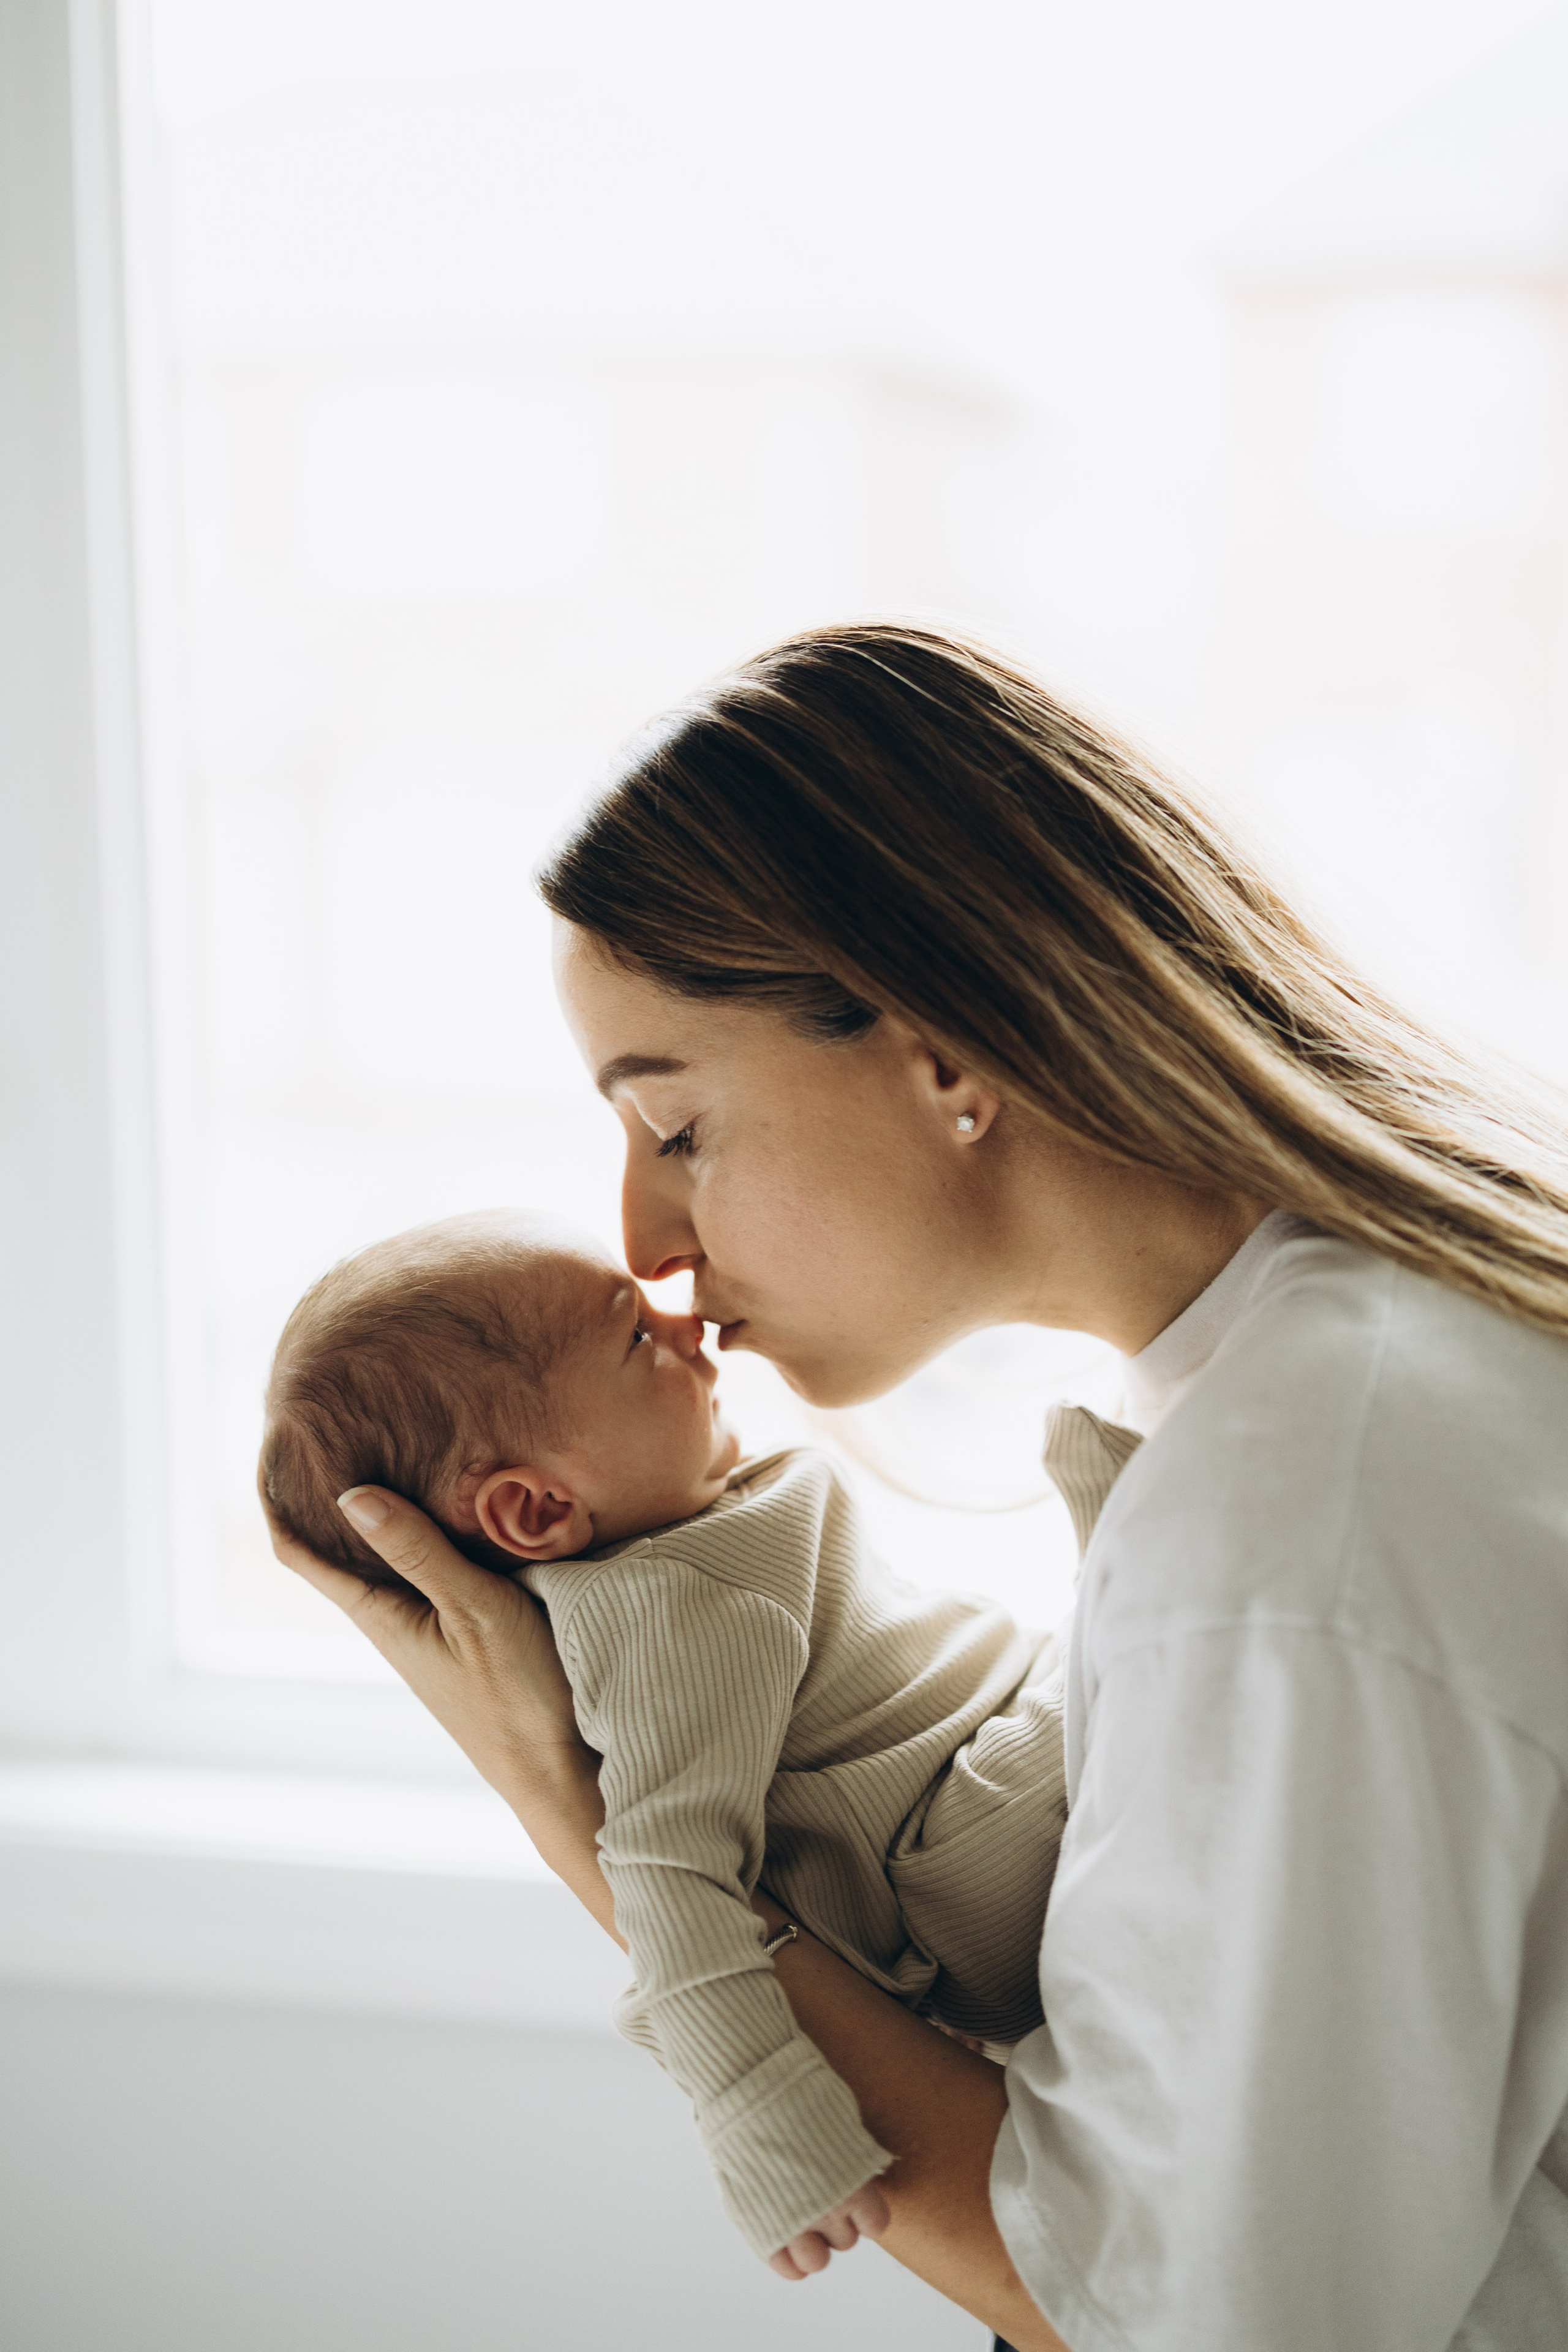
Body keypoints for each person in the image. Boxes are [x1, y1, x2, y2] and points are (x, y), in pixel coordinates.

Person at [269, 624, 1568, 2350]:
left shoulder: (1293, 1512)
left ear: (948, 1052)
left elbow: (1186, 2321)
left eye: (677, 1129)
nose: (649, 1248)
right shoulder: (1341, 1367)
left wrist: (584, 1822)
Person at [259, 1209, 1066, 2263]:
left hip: (986, 1793)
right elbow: (666, 1871)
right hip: (982, 1839)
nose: (689, 1329)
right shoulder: (672, 1610)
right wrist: (759, 2108)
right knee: (1131, 1601)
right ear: (537, 1511)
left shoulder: (688, 1557)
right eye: (635, 1337)